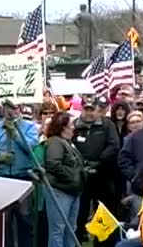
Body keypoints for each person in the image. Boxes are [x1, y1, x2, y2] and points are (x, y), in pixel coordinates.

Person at [0, 99, 39, 247]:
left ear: (20, 109)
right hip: (1, 178)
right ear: (3, 109)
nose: (11, 111)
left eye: (14, 108)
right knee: (5, 221)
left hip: (23, 178)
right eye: (8, 108)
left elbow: (31, 149)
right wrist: (0, 156)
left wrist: (15, 134)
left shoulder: (29, 126)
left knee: (25, 219)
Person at [73, 96, 120, 246]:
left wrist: (99, 161)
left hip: (103, 176)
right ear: (81, 109)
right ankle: (78, 239)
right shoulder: (75, 125)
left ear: (97, 109)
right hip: (82, 176)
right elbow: (69, 146)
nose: (89, 113)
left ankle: (102, 243)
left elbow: (114, 145)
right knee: (80, 212)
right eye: (86, 109)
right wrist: (82, 163)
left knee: (103, 212)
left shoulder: (107, 125)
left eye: (92, 109)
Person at [44, 112, 84, 247]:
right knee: (58, 230)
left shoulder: (68, 143)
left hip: (73, 192)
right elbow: (53, 164)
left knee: (71, 229)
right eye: (71, 124)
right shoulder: (55, 142)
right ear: (63, 127)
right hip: (60, 191)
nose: (74, 127)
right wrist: (73, 177)